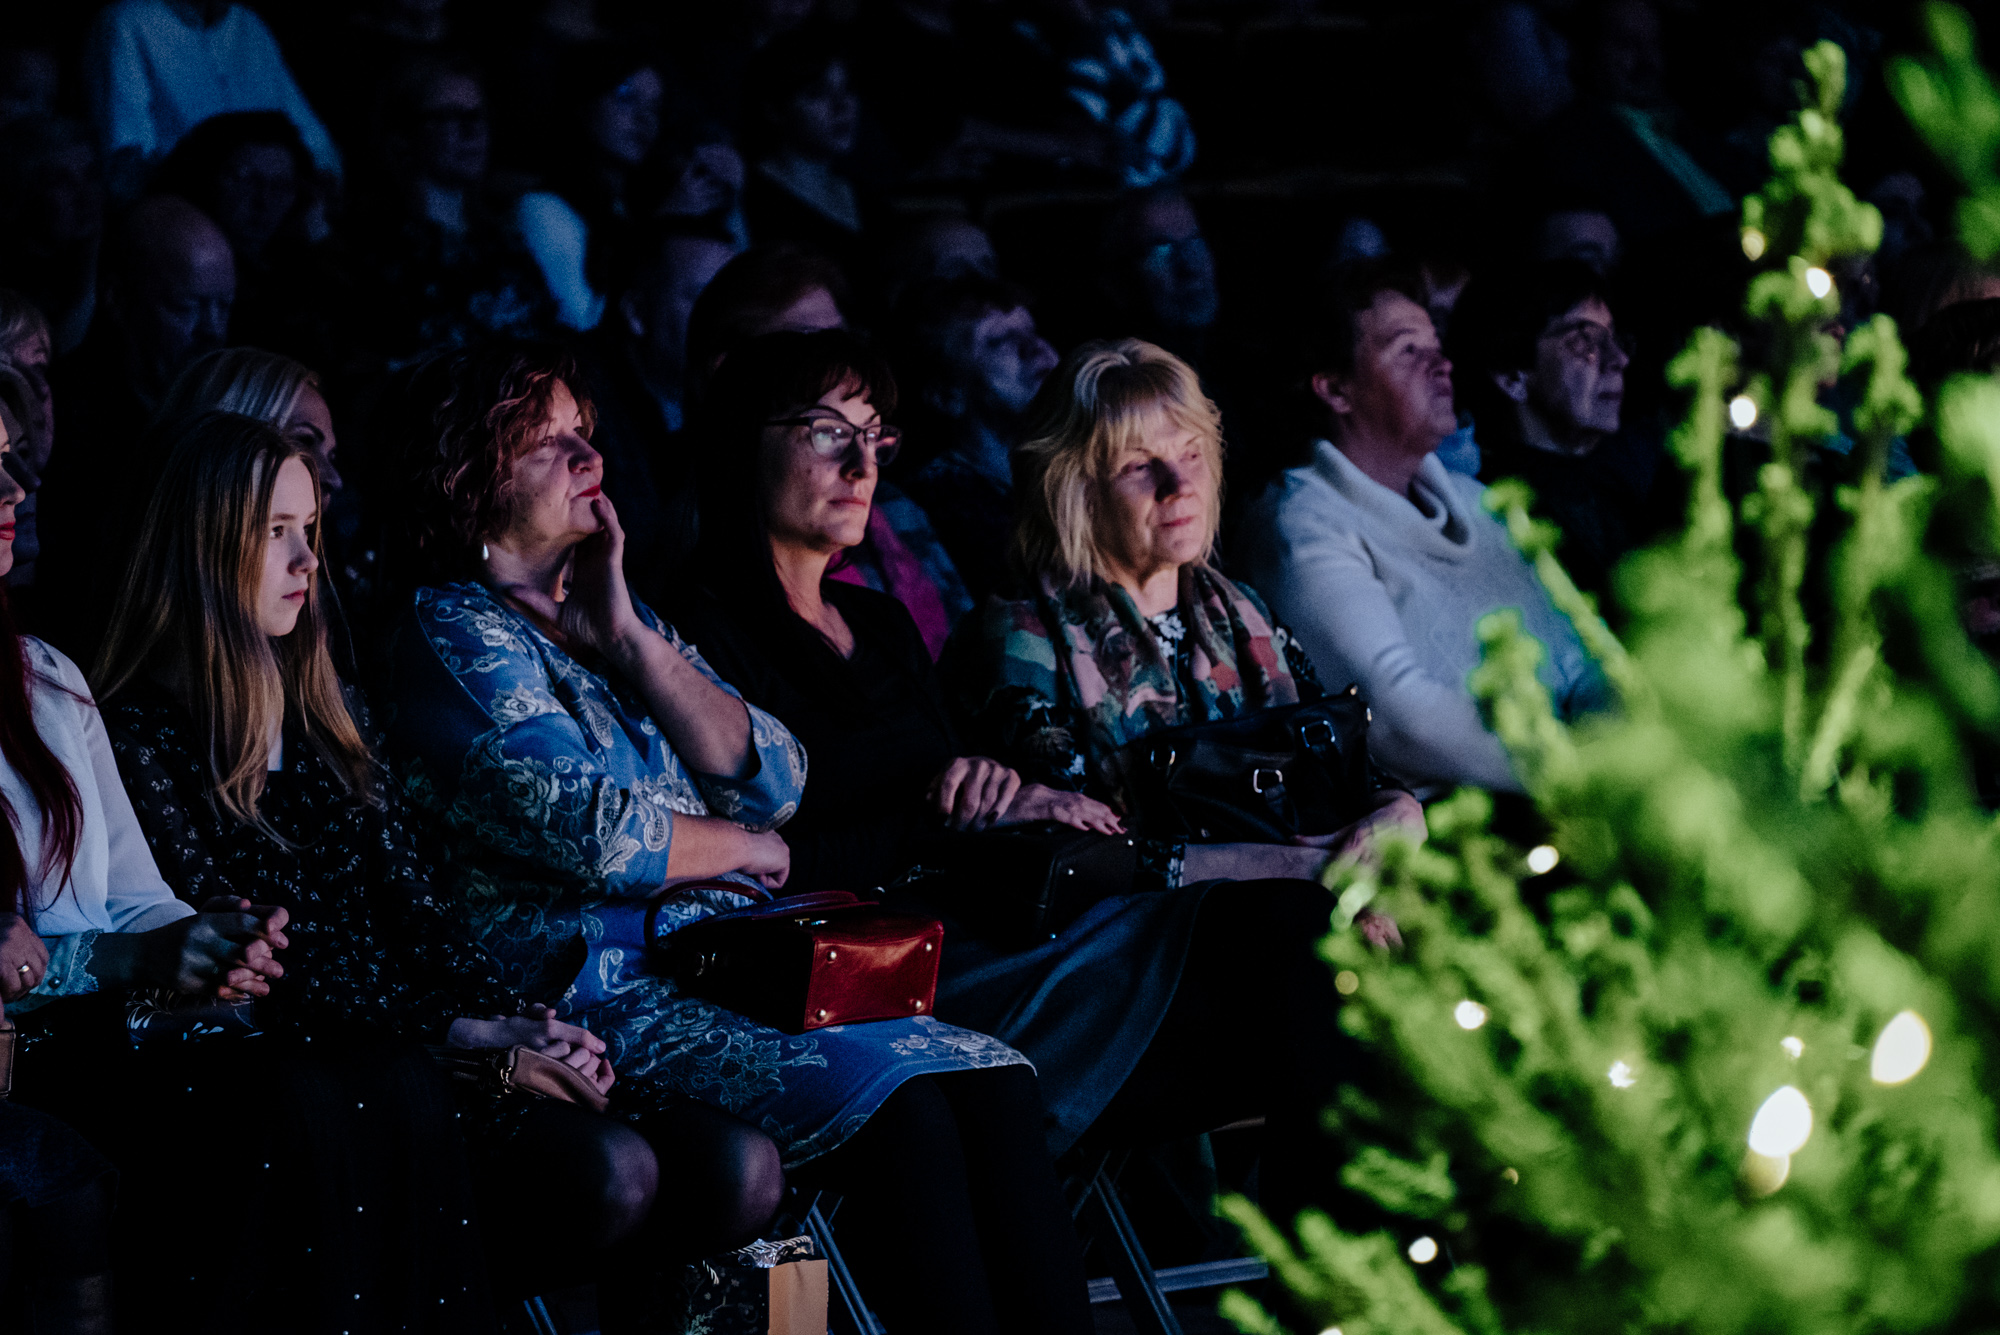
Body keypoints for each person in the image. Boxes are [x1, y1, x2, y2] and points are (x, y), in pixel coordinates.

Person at [379, 342, 1093, 1335]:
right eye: (546, 442)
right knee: (910, 1112)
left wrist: (631, 639)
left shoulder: (612, 616)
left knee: (995, 1083)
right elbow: (590, 830)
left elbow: (777, 775)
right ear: (468, 471)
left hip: (725, 970)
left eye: (587, 433)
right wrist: (744, 851)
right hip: (602, 993)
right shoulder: (453, 630)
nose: (588, 457)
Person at [89, 407, 782, 1332]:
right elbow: (256, 967)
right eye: (273, 532)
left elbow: (422, 915)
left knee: (739, 1167)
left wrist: (525, 1023)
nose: (305, 561)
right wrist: (468, 1034)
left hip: (438, 1028)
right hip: (350, 1070)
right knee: (613, 1173)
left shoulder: (328, 720)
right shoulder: (140, 737)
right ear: (200, 546)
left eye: (310, 530)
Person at [926, 335, 1416, 1221]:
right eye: (1138, 467)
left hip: (1269, 942)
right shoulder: (1021, 638)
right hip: (1111, 973)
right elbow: (1101, 862)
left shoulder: (1238, 610)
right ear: (1076, 490)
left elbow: (1351, 767)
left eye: (1190, 455)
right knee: (1316, 946)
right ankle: (1352, 1265)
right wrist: (1310, 872)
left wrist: (1399, 813)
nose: (1176, 484)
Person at [1237, 262, 1605, 797]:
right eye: (1409, 350)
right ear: (1336, 389)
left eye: (1437, 345)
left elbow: (1583, 660)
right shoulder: (1300, 523)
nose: (1443, 364)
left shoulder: (1478, 501)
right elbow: (1395, 719)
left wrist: (1625, 750)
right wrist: (1582, 775)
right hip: (1456, 823)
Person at [685, 244, 972, 649]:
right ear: (731, 371)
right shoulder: (693, 589)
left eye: (840, 338)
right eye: (807, 342)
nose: (838, 361)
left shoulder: (894, 508)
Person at [1449, 260, 1672, 597]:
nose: (1619, 360)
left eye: (1613, 338)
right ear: (1512, 376)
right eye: (1585, 340)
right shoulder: (1494, 510)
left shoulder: (1633, 475)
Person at [356, 56, 559, 364]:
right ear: (403, 136)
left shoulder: (505, 241)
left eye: (478, 114)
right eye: (448, 116)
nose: (471, 129)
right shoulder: (381, 251)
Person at [574, 218, 740, 585]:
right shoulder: (578, 403)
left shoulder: (729, 394)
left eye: (735, 299)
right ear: (636, 311)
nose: (729, 319)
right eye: (703, 298)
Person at [891, 273, 1060, 604]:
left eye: (1031, 331)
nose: (1034, 347)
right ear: (946, 395)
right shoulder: (941, 504)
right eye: (999, 341)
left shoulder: (1078, 466)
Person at [151, 110, 354, 369]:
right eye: (245, 180)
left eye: (281, 185)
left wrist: (320, 239)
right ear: (207, 177)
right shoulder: (187, 267)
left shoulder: (294, 264)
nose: (263, 201)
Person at [85, 0, 341, 197]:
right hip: (186, 221)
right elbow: (127, 165)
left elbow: (315, 141)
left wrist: (321, 182)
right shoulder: (128, 22)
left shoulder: (249, 26)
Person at [513, 48, 668, 330]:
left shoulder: (642, 206)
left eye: (655, 107)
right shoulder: (543, 210)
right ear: (583, 104)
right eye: (626, 97)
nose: (644, 118)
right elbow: (582, 326)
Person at [740, 34, 873, 276]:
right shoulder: (752, 197)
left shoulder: (867, 197)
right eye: (817, 93)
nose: (842, 105)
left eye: (848, 88)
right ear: (774, 109)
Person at [0, 116, 104, 354]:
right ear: (25, 189)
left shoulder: (117, 250)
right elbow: (53, 356)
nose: (85, 196)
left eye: (91, 175)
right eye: (62, 181)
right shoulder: (11, 286)